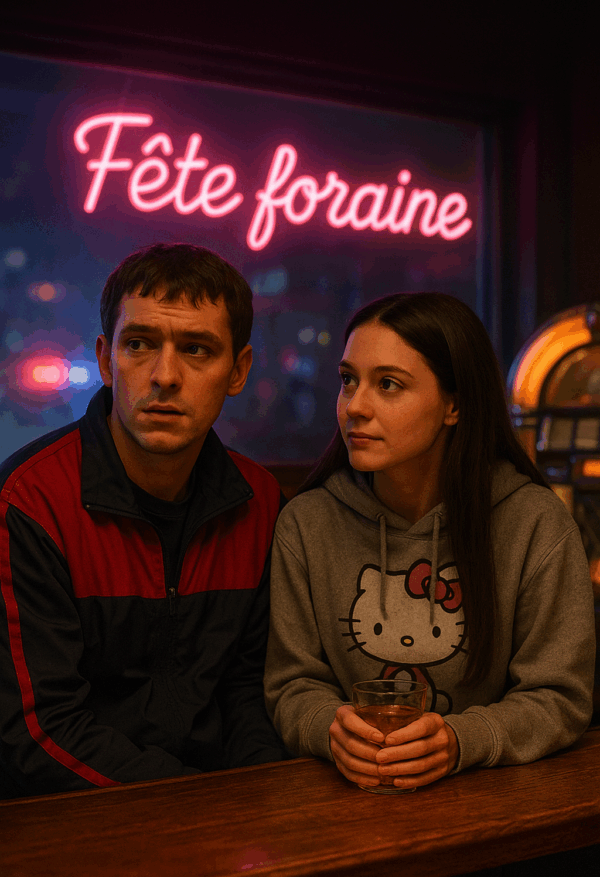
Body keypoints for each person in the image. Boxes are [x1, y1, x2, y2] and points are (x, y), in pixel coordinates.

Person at [265, 292, 596, 792]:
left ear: (453, 405)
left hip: (494, 798)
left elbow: (559, 696)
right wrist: (330, 730)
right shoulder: (307, 523)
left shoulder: (533, 522)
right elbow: (291, 684)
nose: (355, 406)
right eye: (348, 380)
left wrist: (461, 740)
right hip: (351, 794)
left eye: (388, 384)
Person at [0, 242, 287, 799]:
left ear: (238, 371)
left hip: (223, 812)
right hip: (74, 819)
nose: (165, 376)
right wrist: (206, 808)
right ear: (106, 360)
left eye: (197, 349)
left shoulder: (259, 502)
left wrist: (264, 800)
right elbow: (39, 731)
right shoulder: (30, 502)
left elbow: (250, 693)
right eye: (139, 344)